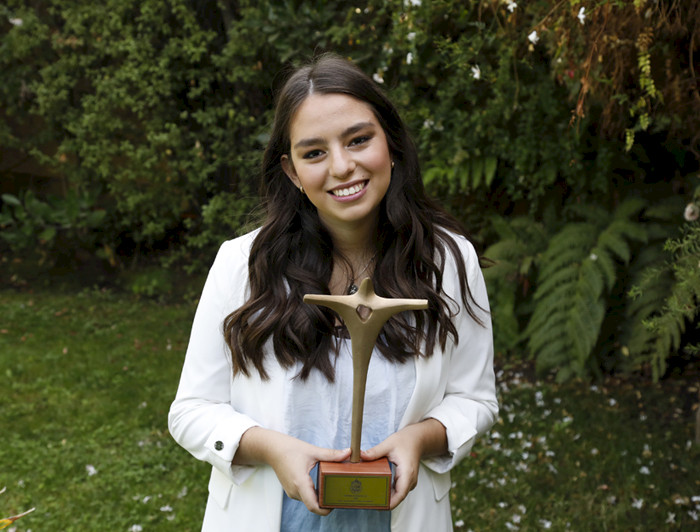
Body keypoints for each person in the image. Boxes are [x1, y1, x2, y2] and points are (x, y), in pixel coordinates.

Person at [168, 53, 498, 532]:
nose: (343, 166)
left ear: (391, 143)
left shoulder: (448, 261)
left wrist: (420, 440)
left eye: (359, 140)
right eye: (314, 152)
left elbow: (475, 399)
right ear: (291, 171)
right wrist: (273, 449)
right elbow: (191, 411)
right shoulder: (243, 264)